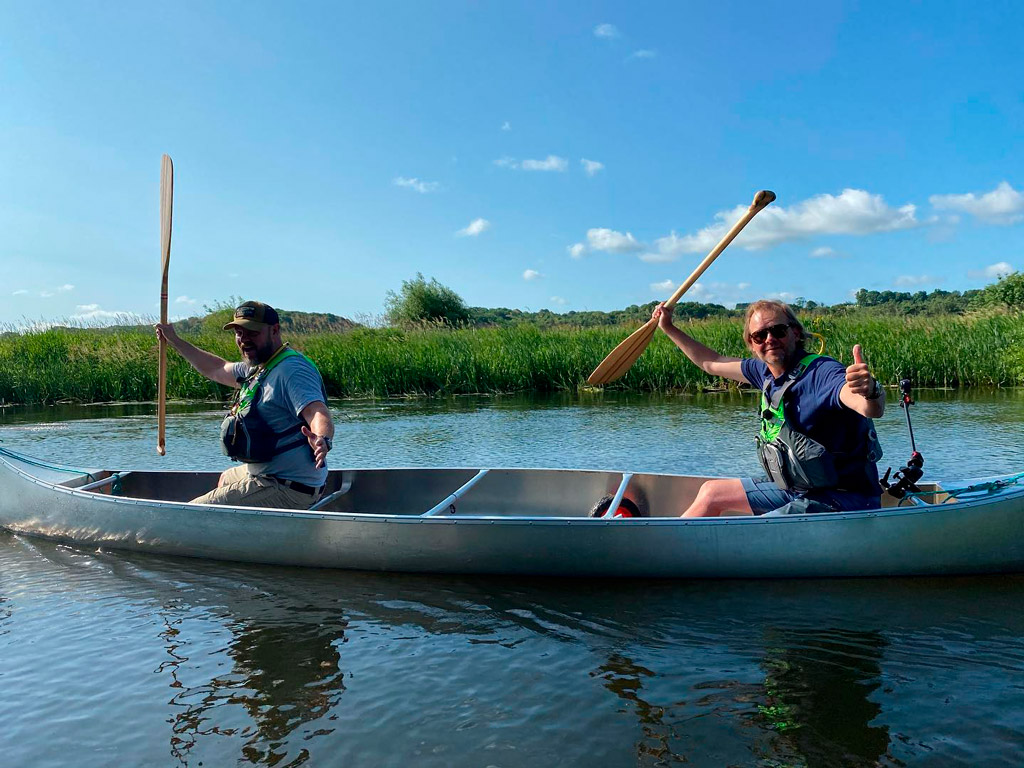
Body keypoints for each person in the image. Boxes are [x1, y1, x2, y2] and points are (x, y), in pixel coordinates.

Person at [652, 299, 885, 517]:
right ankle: (666, 549)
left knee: (757, 529)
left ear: (795, 332)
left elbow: (867, 407)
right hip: (801, 489)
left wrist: (870, 390)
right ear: (752, 344)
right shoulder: (763, 372)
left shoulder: (821, 373)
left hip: (846, 500)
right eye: (760, 335)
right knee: (711, 493)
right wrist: (669, 328)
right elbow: (711, 363)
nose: (769, 339)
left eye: (778, 331)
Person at [154, 300, 335, 510]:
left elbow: (317, 412)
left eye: (252, 332)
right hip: (267, 473)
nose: (244, 340)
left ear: (274, 330)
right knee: (226, 478)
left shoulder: (291, 371)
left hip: (288, 486)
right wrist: (174, 340)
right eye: (239, 333)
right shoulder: (260, 368)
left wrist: (322, 439)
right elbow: (217, 368)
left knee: (190, 513)